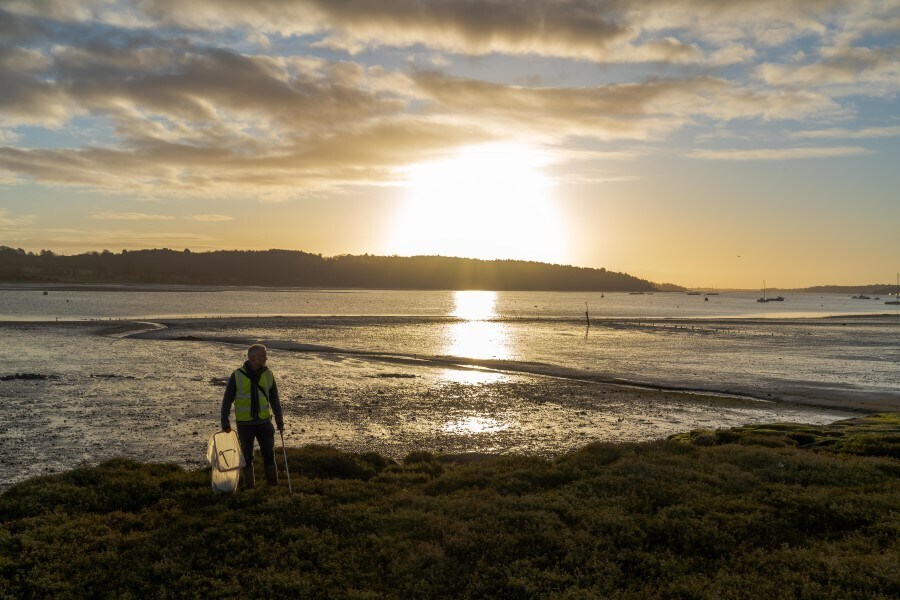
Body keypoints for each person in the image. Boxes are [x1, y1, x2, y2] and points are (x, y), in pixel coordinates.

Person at [221, 344, 284, 488]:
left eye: (265, 355)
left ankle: (273, 486)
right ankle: (250, 487)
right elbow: (227, 400)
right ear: (253, 358)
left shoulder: (269, 374)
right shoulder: (237, 375)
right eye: (263, 356)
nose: (266, 358)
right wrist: (224, 422)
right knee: (247, 458)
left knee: (269, 455)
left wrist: (279, 420)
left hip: (265, 423)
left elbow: (275, 399)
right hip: (245, 424)